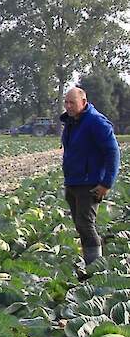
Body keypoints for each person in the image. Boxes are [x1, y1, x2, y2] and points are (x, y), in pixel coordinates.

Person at [60, 87, 120, 267]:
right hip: (74, 182)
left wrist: (106, 183)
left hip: (90, 183)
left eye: (72, 102)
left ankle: (95, 266)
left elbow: (113, 152)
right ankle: (91, 262)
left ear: (84, 102)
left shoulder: (96, 122)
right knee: (81, 225)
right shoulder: (72, 122)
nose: (68, 106)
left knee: (85, 224)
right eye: (66, 102)